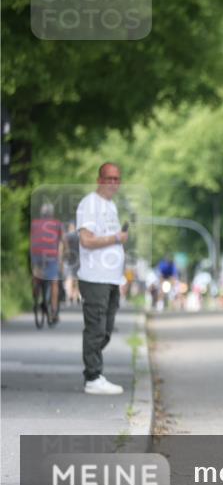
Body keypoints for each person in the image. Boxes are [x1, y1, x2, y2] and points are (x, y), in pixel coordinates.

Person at [76, 162, 128, 395]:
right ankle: (93, 377)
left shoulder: (111, 206)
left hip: (111, 278)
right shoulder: (90, 204)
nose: (113, 183)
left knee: (105, 330)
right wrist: (116, 238)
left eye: (117, 179)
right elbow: (86, 240)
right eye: (109, 178)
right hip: (95, 277)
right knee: (96, 328)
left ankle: (94, 372)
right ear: (99, 180)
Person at [30, 202, 63, 322]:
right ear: (52, 214)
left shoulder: (34, 224)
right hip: (51, 255)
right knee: (54, 282)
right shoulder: (57, 224)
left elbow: (32, 240)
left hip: (36, 254)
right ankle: (54, 311)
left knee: (37, 275)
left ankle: (36, 293)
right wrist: (63, 257)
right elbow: (61, 242)